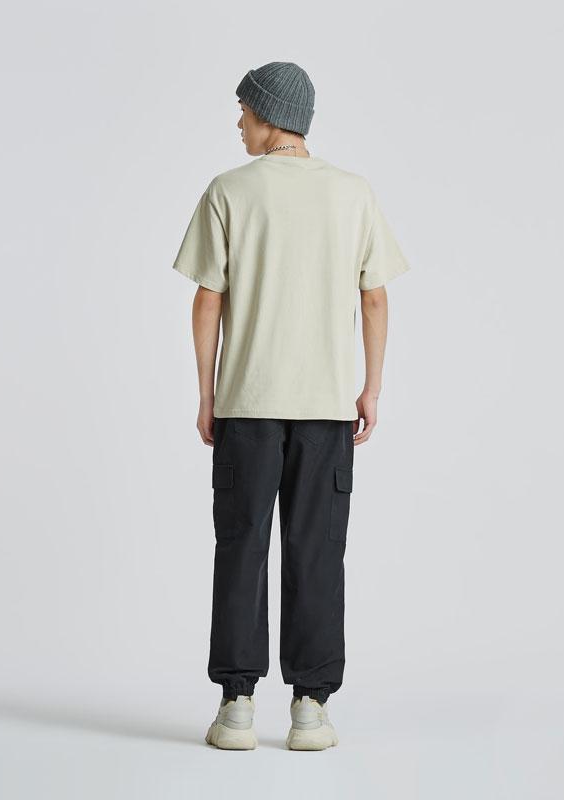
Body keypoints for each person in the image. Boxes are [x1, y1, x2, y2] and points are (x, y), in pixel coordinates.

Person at [172, 61, 411, 751]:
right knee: (317, 553)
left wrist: (207, 392)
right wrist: (370, 388)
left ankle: (237, 709)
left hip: (247, 405)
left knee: (241, 548)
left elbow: (208, 299)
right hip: (326, 408)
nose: (238, 122)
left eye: (244, 110)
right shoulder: (352, 193)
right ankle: (311, 709)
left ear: (269, 115)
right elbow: (375, 297)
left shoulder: (229, 191)